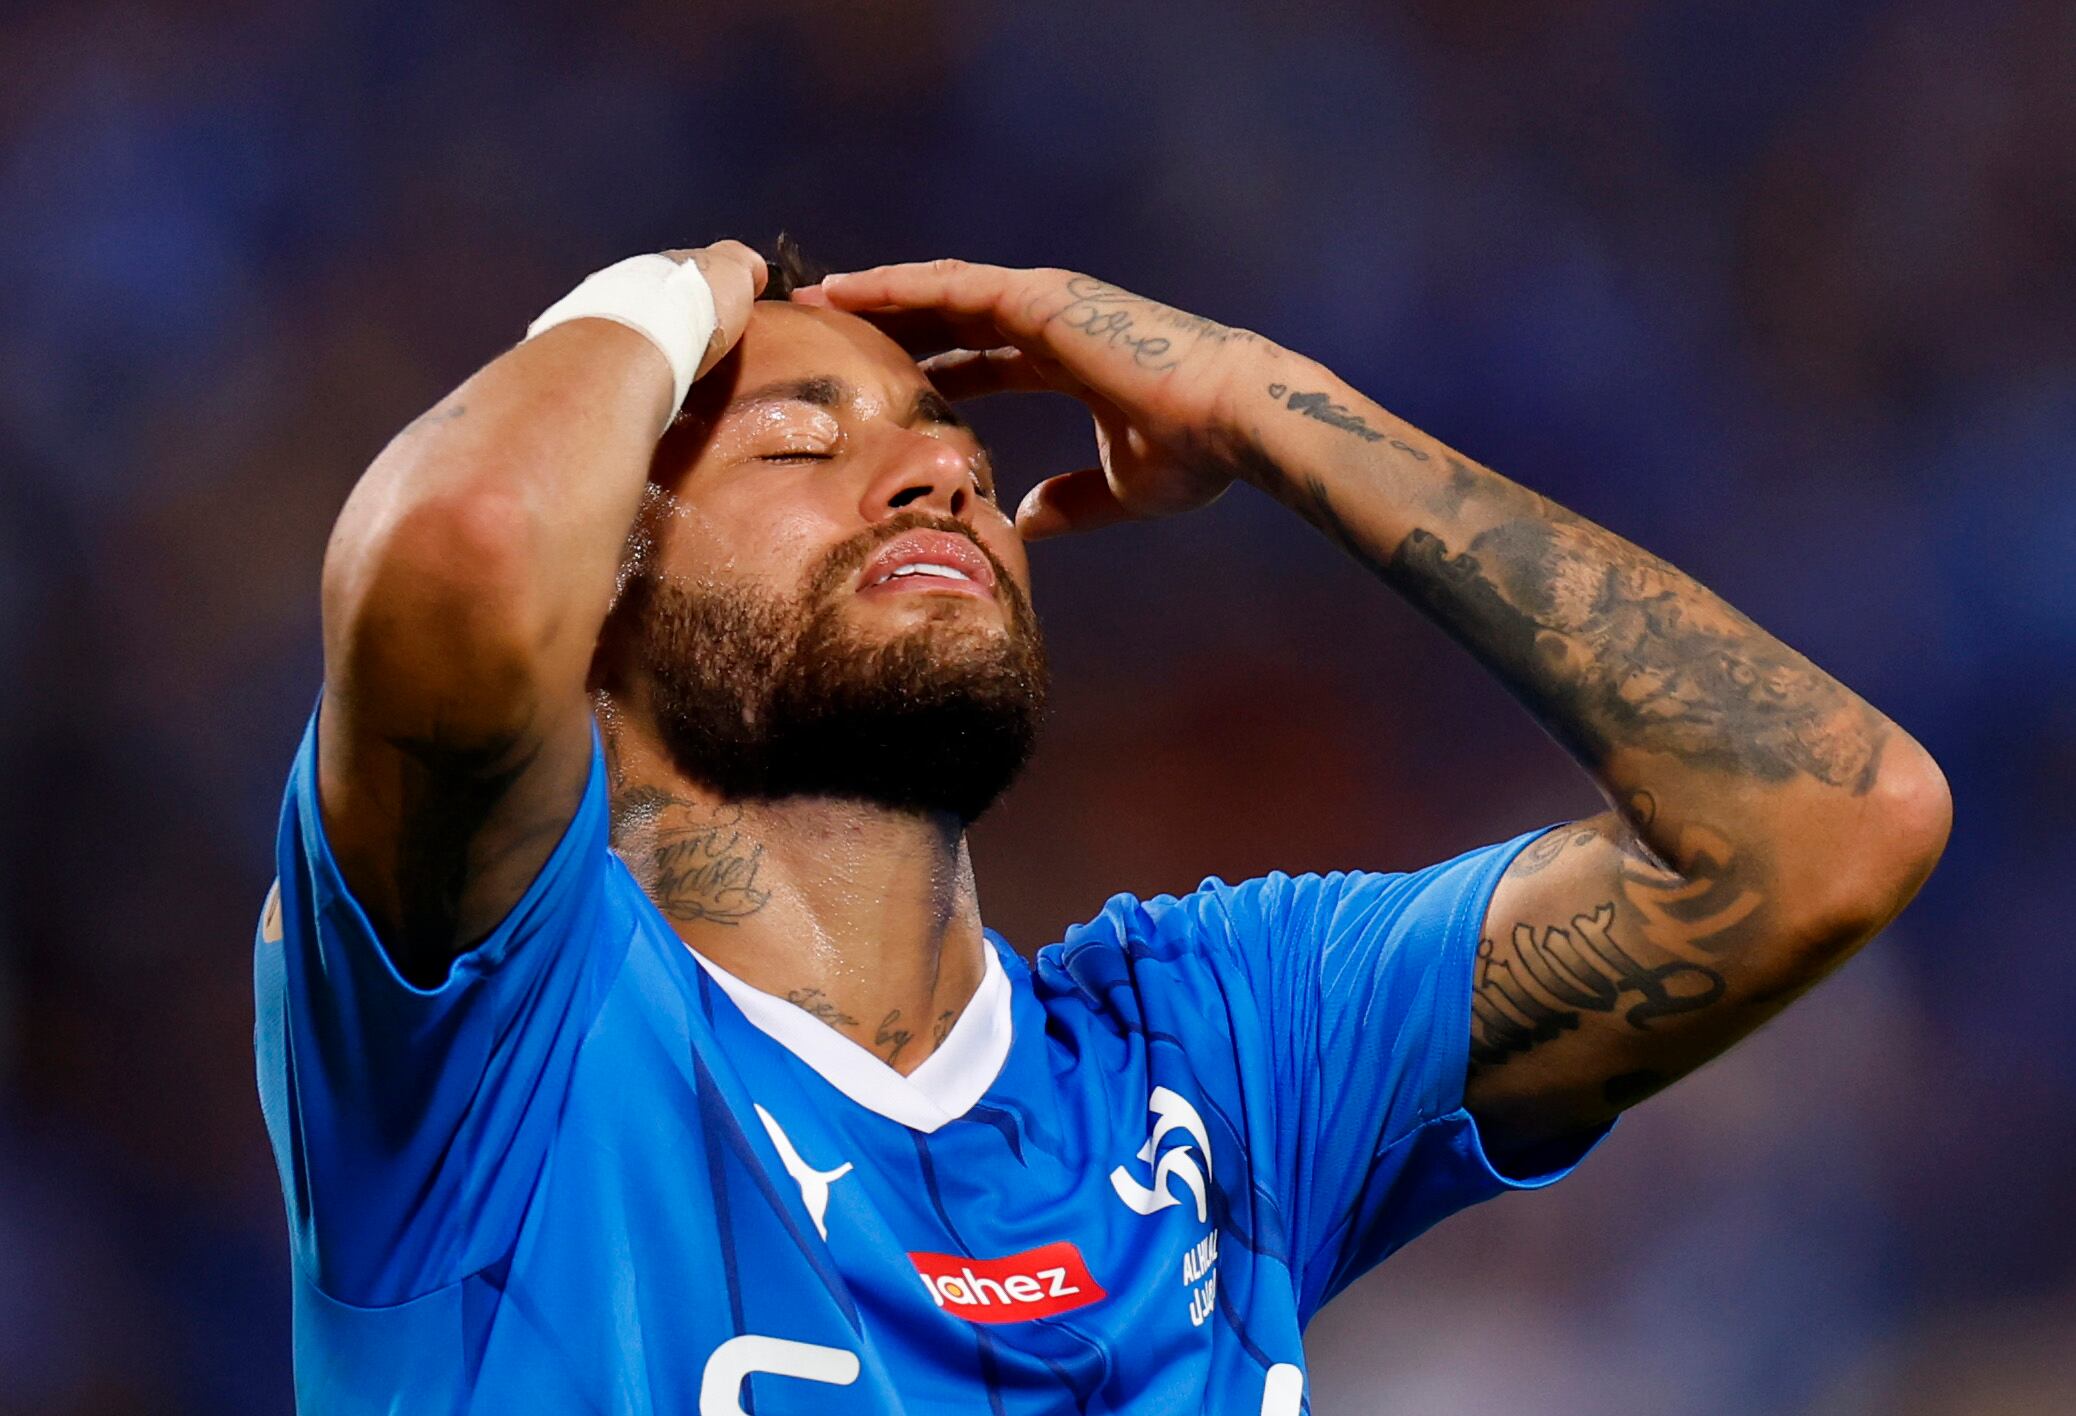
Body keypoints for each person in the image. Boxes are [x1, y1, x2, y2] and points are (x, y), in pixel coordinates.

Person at [254, 238, 1950, 1414]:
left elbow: (1827, 829)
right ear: (603, 594)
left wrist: (1268, 406)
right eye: (797, 440)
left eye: (959, 451)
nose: (937, 479)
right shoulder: (494, 1029)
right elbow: (464, 552)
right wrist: (652, 300)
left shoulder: (1212, 1046)